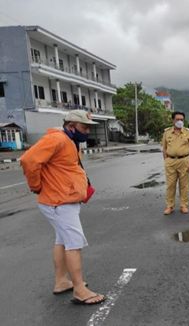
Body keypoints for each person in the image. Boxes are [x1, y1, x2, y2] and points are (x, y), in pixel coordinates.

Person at [20, 110, 105, 305]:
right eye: (84, 128)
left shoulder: (68, 140)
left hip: (62, 200)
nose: (87, 132)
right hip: (59, 202)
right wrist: (36, 185)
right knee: (74, 243)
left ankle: (61, 282)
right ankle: (79, 290)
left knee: (62, 241)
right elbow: (28, 160)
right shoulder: (58, 138)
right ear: (71, 126)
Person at [161, 111, 189, 214]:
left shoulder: (188, 132)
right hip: (170, 161)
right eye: (177, 119)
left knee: (184, 185)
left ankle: (183, 205)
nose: (180, 121)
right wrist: (167, 160)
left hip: (185, 160)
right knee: (170, 185)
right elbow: (164, 148)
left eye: (182, 119)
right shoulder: (167, 132)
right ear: (173, 120)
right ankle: (169, 206)